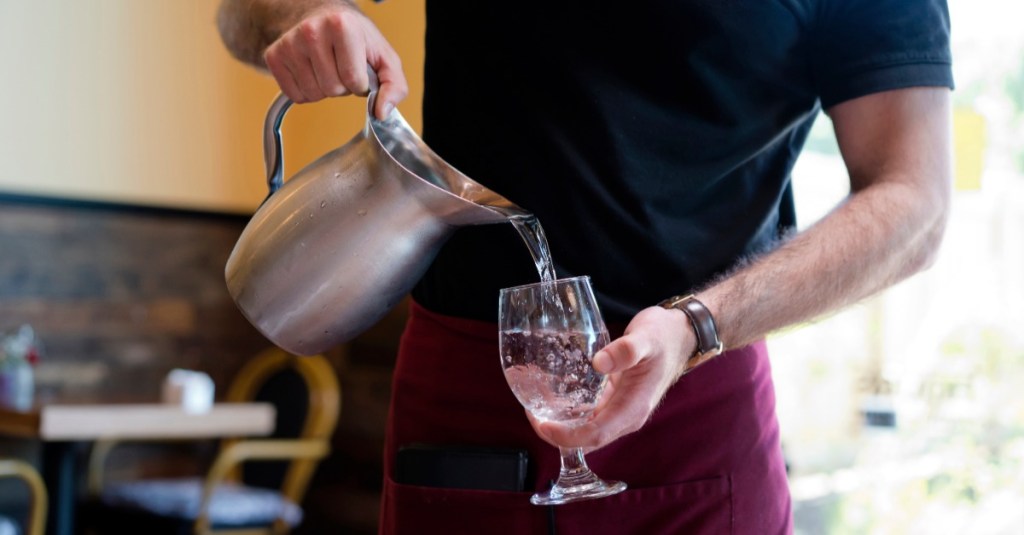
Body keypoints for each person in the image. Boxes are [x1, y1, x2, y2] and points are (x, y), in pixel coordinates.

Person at [217, 1, 953, 533]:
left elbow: (913, 201)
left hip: (695, 400)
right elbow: (243, 13)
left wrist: (696, 325)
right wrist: (304, 19)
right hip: (463, 402)